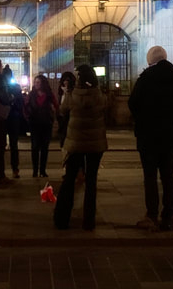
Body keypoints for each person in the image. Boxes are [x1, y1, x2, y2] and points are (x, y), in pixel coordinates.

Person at [127, 46, 173, 232]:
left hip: (148, 134)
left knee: (150, 177)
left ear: (150, 59)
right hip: (168, 135)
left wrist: (142, 117)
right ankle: (169, 217)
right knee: (168, 177)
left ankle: (151, 215)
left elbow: (133, 102)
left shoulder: (146, 78)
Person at [53, 64, 107, 231]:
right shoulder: (99, 95)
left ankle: (62, 219)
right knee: (91, 182)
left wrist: (67, 91)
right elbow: (105, 108)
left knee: (69, 180)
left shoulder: (72, 95)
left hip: (75, 143)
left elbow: (62, 110)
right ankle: (88, 221)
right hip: (95, 144)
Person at [26, 74, 58, 178]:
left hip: (46, 123)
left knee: (44, 147)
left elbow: (56, 106)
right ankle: (35, 170)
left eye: (38, 82)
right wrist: (28, 117)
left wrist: (54, 115)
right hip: (34, 123)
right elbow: (25, 106)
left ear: (43, 83)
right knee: (35, 147)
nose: (36, 84)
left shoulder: (49, 95)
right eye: (35, 82)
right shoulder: (31, 95)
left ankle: (42, 170)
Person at [3, 65, 24, 178]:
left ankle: (2, 171)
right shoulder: (16, 87)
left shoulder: (1, 87)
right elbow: (20, 104)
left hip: (4, 118)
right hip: (13, 117)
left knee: (2, 145)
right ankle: (15, 168)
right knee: (13, 145)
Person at [57, 71, 75, 148]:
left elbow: (69, 105)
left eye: (68, 80)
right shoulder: (61, 91)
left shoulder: (73, 92)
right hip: (62, 117)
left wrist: (67, 92)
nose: (66, 82)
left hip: (70, 117)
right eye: (64, 80)